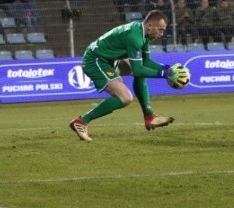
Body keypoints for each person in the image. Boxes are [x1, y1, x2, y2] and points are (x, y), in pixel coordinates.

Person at [68, 10, 185, 142]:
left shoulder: (144, 34)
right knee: (125, 98)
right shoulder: (135, 37)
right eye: (160, 29)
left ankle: (149, 116)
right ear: (150, 26)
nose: (162, 33)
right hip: (95, 60)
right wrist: (165, 74)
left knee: (139, 73)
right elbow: (138, 70)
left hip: (108, 60)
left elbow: (146, 63)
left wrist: (167, 68)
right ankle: (82, 121)